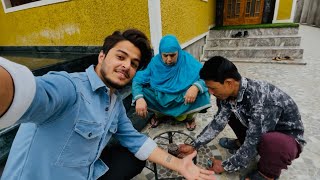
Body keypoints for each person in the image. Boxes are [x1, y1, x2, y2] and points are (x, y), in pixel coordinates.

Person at [0, 29, 216, 180]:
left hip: (87, 173)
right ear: (102, 56)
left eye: (133, 64)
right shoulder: (69, 87)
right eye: (120, 57)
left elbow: (136, 141)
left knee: (134, 156)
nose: (126, 66)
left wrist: (179, 165)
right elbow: (25, 91)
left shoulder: (114, 105)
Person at [178, 56, 305, 180]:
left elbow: (254, 141)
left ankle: (268, 174)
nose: (210, 92)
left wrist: (224, 166)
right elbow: (218, 122)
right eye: (208, 88)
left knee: (269, 141)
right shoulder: (229, 94)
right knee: (230, 109)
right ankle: (241, 141)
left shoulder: (261, 100)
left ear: (229, 83)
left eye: (213, 88)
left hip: (286, 139)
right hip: (261, 129)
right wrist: (195, 145)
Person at [132, 35, 211, 131]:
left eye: (172, 55)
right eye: (165, 55)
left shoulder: (186, 60)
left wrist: (195, 87)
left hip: (182, 98)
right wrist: (139, 98)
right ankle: (159, 115)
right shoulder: (155, 62)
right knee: (142, 93)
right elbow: (138, 80)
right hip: (160, 99)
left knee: (203, 92)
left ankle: (189, 118)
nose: (169, 59)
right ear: (161, 53)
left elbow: (206, 75)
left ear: (178, 51)